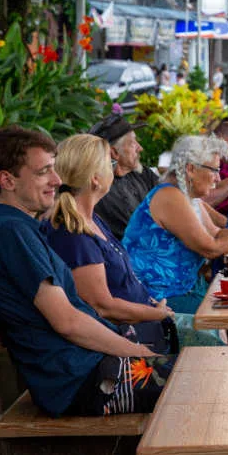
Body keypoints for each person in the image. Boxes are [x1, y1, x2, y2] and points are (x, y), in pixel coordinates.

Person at [0, 126, 173, 455]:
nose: (57, 179)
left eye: (55, 168)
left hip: (84, 369)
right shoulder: (10, 234)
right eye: (43, 171)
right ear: (7, 180)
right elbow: (66, 320)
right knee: (187, 383)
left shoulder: (20, 227)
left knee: (191, 369)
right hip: (76, 381)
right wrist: (138, 354)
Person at [42, 134, 177, 356]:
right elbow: (102, 306)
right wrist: (157, 314)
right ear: (95, 178)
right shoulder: (72, 233)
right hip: (126, 343)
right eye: (110, 164)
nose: (114, 170)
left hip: (143, 326)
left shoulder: (89, 219)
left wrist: (153, 307)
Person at [122, 135, 228, 315]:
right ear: (191, 169)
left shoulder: (188, 196)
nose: (217, 178)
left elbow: (216, 234)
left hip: (186, 288)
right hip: (160, 298)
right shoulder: (169, 197)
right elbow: (210, 248)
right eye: (214, 170)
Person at [89, 114, 159, 240]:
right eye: (133, 143)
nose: (140, 148)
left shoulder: (142, 173)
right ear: (114, 152)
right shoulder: (100, 190)